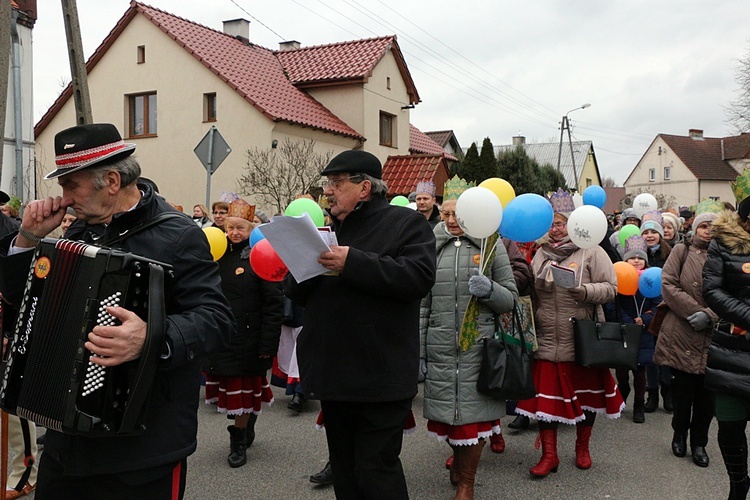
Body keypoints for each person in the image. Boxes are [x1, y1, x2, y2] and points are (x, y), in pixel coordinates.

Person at [0, 123, 235, 499]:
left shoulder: (177, 234)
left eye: (71, 185)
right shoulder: (75, 234)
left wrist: (151, 336)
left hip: (143, 450)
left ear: (111, 180)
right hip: (67, 442)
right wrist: (28, 239)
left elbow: (218, 320)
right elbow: (23, 303)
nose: (63, 198)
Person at [284, 149, 436, 500]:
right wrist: (299, 263)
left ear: (364, 187)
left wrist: (352, 262)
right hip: (334, 373)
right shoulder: (329, 230)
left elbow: (418, 278)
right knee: (344, 469)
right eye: (327, 184)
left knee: (376, 470)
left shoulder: (406, 223)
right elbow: (303, 295)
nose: (328, 191)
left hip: (379, 374)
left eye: (336, 183)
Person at [420, 177, 518, 499]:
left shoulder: (493, 247)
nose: (450, 220)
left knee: (472, 423)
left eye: (457, 214)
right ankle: (459, 464)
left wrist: (490, 289)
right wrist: (419, 352)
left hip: (479, 348)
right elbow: (422, 305)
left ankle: (467, 483)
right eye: (445, 214)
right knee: (449, 420)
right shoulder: (429, 248)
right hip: (441, 347)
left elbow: (512, 301)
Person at [515, 188, 622, 478]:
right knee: (546, 403)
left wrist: (582, 290)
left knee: (586, 399)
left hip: (581, 339)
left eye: (561, 223)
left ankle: (582, 448)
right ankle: (550, 455)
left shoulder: (592, 250)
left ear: (573, 223)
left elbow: (611, 289)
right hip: (547, 339)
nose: (555, 228)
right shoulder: (540, 254)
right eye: (551, 223)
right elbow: (533, 294)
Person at [204, 198, 282, 468]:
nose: (234, 233)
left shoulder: (261, 255)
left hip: (250, 338)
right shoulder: (215, 254)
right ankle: (245, 422)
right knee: (230, 394)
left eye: (241, 228)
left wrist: (268, 345)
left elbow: (274, 304)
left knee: (242, 394)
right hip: (222, 336)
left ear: (251, 229)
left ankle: (238, 440)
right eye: (230, 227)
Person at [654, 200, 722, 469]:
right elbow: (668, 284)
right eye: (703, 226)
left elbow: (736, 295)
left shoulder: (727, 255)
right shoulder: (682, 250)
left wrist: (711, 316)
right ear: (694, 228)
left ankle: (700, 443)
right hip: (682, 330)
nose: (708, 231)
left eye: (712, 227)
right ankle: (679, 433)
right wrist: (695, 311)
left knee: (707, 401)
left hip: (714, 337)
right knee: (682, 395)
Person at [702, 175, 750, 500]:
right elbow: (711, 290)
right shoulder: (723, 243)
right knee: (730, 427)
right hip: (733, 350)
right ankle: (738, 483)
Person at [605, 235, 660, 424]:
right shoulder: (619, 277)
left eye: (640, 257)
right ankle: (622, 391)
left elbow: (657, 304)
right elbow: (612, 304)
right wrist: (627, 320)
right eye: (632, 257)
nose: (636, 261)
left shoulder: (652, 279)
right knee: (622, 367)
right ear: (625, 260)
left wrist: (644, 318)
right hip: (622, 330)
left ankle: (639, 403)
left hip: (642, 332)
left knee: (639, 370)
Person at [640, 211, 674, 414]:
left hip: (667, 309)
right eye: (646, 232)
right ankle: (652, 393)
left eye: (654, 231)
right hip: (647, 309)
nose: (650, 235)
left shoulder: (670, 254)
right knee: (650, 355)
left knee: (666, 353)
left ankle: (668, 393)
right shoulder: (637, 255)